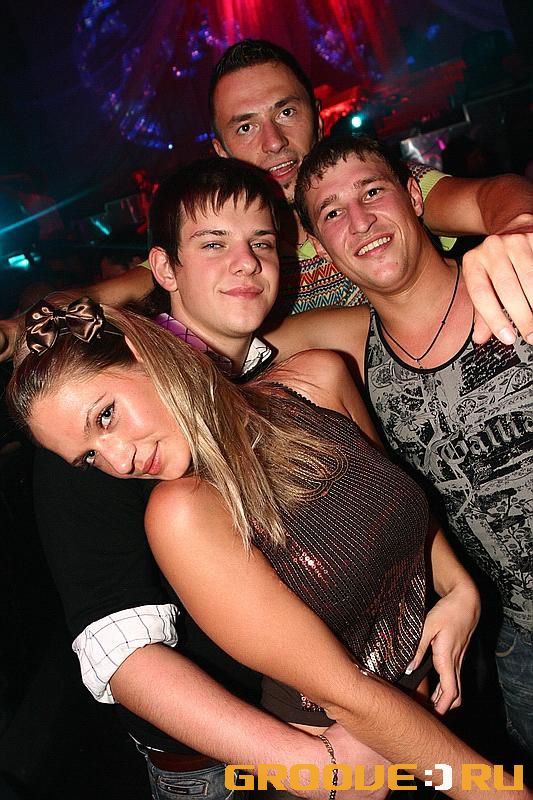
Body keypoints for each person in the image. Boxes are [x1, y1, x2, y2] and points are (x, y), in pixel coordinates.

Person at [9, 297, 529, 800]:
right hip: (350, 751)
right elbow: (343, 694)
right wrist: (498, 792)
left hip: (433, 700)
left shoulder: (320, 378)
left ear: (142, 353)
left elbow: (400, 505)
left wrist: (458, 587)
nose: (119, 461)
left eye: (105, 416)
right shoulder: (182, 513)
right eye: (89, 458)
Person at [259, 133, 533, 756]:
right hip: (519, 644)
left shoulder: (507, 278)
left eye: (372, 192)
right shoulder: (349, 345)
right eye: (332, 213)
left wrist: (521, 226)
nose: (359, 221)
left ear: (414, 195)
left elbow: (505, 195)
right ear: (320, 246)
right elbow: (204, 338)